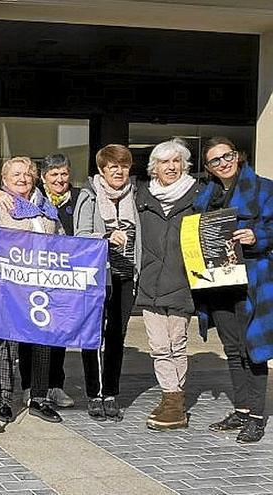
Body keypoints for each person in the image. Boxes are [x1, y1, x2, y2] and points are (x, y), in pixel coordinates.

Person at [0, 156, 64, 424]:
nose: (22, 179)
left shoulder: (46, 207)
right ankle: (5, 400)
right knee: (7, 344)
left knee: (42, 342)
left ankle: (38, 398)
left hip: (43, 284)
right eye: (16, 175)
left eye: (27, 174)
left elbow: (62, 239)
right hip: (10, 285)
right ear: (5, 180)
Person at [194, 137, 273, 443]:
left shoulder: (264, 188)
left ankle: (255, 416)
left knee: (252, 348)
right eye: (215, 160)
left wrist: (258, 236)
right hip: (217, 282)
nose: (223, 163)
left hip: (252, 279)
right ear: (209, 168)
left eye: (227, 156)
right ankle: (240, 409)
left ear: (238, 156)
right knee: (231, 348)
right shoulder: (207, 197)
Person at [134, 139, 201, 431]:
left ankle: (174, 402)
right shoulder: (143, 196)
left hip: (181, 280)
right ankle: (171, 396)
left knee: (176, 344)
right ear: (154, 168)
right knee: (159, 346)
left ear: (184, 165)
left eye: (176, 161)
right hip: (149, 280)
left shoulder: (198, 195)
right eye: (164, 162)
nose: (171, 167)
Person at [74, 144, 141, 422]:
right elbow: (79, 235)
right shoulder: (89, 196)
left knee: (117, 336)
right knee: (92, 335)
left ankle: (111, 392)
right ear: (102, 169)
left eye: (123, 166)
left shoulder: (135, 196)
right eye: (113, 166)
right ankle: (93, 393)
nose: (119, 171)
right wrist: (105, 237)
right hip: (97, 277)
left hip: (126, 276)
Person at [20, 154, 79, 409]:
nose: (60, 179)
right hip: (32, 278)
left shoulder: (78, 200)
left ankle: (55, 386)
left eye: (64, 174)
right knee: (30, 335)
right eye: (54, 174)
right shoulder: (36, 202)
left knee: (58, 335)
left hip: (64, 277)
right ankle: (29, 386)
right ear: (43, 178)